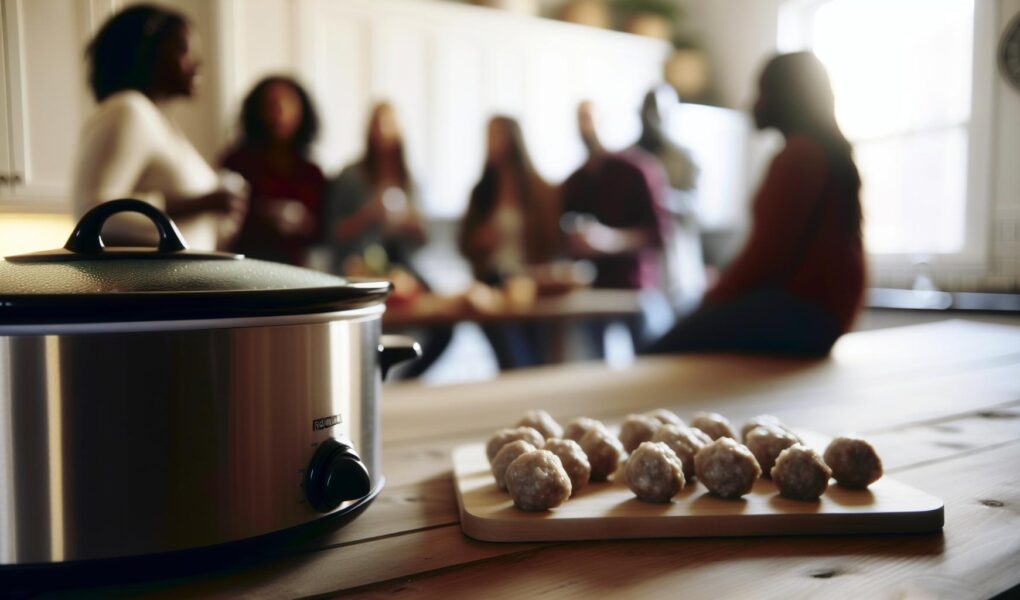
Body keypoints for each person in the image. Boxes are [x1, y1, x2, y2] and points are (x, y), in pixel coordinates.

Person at [647, 52, 865, 357]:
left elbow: (766, 257)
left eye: (762, 91)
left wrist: (710, 299)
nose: (753, 103)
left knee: (661, 351)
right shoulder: (826, 154)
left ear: (786, 96)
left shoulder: (799, 156)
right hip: (828, 314)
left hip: (803, 313)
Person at [72, 4, 246, 250]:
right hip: (144, 287)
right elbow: (94, 215)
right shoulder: (128, 110)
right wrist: (202, 203)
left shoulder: (158, 122)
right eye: (184, 50)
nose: (198, 62)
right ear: (147, 52)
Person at [324, 102, 450, 378]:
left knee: (445, 321)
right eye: (378, 124)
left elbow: (423, 240)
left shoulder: (409, 178)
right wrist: (368, 215)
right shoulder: (350, 176)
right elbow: (332, 234)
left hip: (402, 266)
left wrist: (409, 223)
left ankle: (409, 380)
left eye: (390, 123)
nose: (384, 131)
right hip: (358, 266)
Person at [561, 100, 672, 354]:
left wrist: (610, 240)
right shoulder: (575, 181)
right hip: (592, 294)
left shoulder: (637, 170)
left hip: (636, 292)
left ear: (605, 122)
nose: (584, 128)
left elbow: (659, 234)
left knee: (650, 365)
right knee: (595, 372)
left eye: (589, 119)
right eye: (579, 120)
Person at [459, 116, 560, 369]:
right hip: (493, 284)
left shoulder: (539, 191)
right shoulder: (481, 193)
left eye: (497, 135)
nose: (491, 143)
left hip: (531, 282)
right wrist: (480, 241)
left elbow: (553, 240)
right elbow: (463, 243)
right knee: (511, 357)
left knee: (537, 359)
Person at [221, 76, 324, 265]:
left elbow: (324, 231)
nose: (280, 112)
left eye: (288, 104)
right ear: (256, 111)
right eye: (271, 105)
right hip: (245, 266)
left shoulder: (312, 172)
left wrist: (305, 223)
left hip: (298, 273)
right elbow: (222, 220)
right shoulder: (237, 162)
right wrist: (264, 215)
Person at [634, 85, 706, 312]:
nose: (653, 118)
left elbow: (696, 205)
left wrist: (661, 200)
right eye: (648, 110)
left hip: (677, 264)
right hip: (639, 269)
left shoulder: (685, 159)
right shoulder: (629, 159)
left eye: (659, 111)